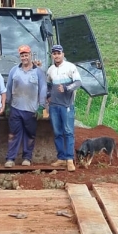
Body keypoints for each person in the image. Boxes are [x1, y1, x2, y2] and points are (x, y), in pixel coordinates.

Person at [4, 44, 47, 168]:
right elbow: (9, 87)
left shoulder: (38, 72)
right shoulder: (14, 70)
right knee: (13, 134)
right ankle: (10, 159)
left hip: (31, 109)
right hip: (16, 108)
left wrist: (41, 106)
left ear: (30, 55)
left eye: (26, 55)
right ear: (20, 57)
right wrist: (7, 104)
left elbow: (43, 89)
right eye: (22, 55)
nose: (24, 57)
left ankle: (27, 157)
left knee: (30, 134)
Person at [46, 44, 82, 172]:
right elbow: (49, 85)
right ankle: (61, 158)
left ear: (63, 54)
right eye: (54, 53)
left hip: (67, 105)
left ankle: (69, 159)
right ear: (52, 55)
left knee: (68, 132)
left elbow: (78, 83)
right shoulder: (50, 70)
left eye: (58, 53)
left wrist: (66, 88)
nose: (56, 55)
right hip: (54, 106)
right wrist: (48, 95)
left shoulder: (70, 67)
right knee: (57, 133)